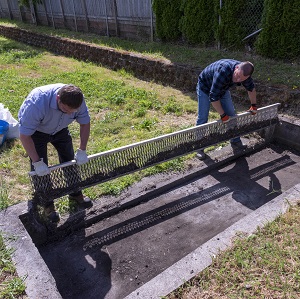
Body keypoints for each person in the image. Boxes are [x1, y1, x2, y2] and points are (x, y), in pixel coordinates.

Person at [18, 83, 92, 223]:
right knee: (41, 170)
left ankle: (75, 193)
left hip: (61, 129)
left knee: (69, 160)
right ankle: (47, 204)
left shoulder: (78, 100)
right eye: (65, 109)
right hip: (37, 131)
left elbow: (85, 123)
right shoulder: (37, 102)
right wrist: (37, 162)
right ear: (58, 98)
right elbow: (25, 135)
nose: (70, 113)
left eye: (73, 111)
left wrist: (82, 149)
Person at [196, 59, 257, 160]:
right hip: (205, 87)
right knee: (203, 117)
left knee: (232, 115)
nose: (238, 80)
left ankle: (235, 140)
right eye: (237, 76)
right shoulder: (223, 70)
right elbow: (213, 97)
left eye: (241, 79)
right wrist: (223, 115)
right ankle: (199, 147)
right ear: (236, 68)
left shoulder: (244, 75)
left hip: (223, 88)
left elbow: (251, 89)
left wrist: (254, 105)